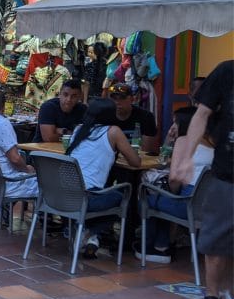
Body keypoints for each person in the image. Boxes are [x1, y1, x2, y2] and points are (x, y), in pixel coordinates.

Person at [170, 60, 233, 299]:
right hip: (228, 172)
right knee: (217, 242)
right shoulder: (227, 72)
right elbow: (200, 115)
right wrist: (186, 157)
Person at [64, 97, 141, 259]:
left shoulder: (79, 130)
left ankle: (90, 236)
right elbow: (135, 162)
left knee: (105, 193)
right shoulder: (113, 131)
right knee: (123, 196)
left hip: (65, 195)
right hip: (88, 198)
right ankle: (90, 232)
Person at [140, 107, 212, 265]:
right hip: (211, 210)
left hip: (188, 207)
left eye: (175, 123)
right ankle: (163, 244)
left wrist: (169, 194)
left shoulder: (184, 141)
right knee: (164, 198)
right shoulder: (212, 145)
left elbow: (174, 179)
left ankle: (155, 247)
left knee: (148, 197)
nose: (172, 127)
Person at [106, 82, 160, 154]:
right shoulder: (105, 116)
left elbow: (149, 151)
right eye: (114, 99)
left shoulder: (146, 116)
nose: (117, 102)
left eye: (122, 98)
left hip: (136, 160)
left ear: (132, 99)